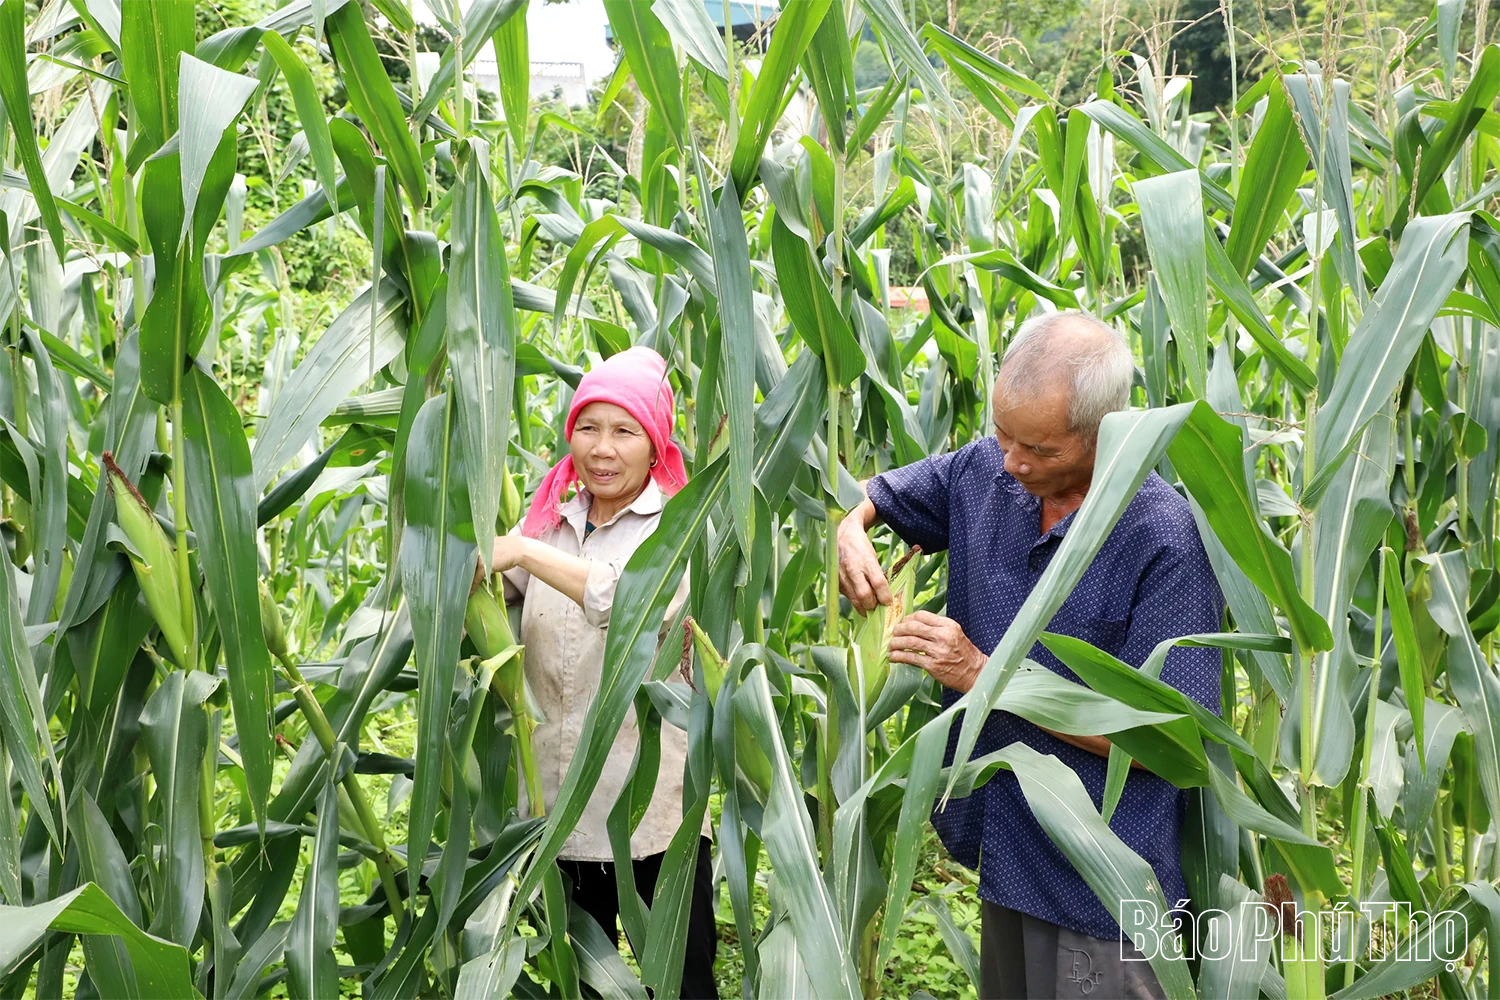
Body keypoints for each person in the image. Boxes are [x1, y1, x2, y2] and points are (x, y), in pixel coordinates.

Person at [837, 312, 1224, 1000]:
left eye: (1039, 449)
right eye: (1003, 434)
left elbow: (1169, 742)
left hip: (1102, 885)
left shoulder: (1163, 539)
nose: (1013, 462)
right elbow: (872, 495)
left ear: (1105, 431)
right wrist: (850, 527)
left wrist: (983, 676)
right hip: (1004, 851)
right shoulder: (984, 473)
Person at [478, 346, 718, 998]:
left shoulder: (680, 525)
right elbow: (495, 598)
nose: (602, 449)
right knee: (582, 985)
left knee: (683, 984)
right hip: (559, 810)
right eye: (588, 427)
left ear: (655, 442)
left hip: (651, 815)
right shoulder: (549, 519)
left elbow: (630, 599)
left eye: (624, 431)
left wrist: (521, 551)